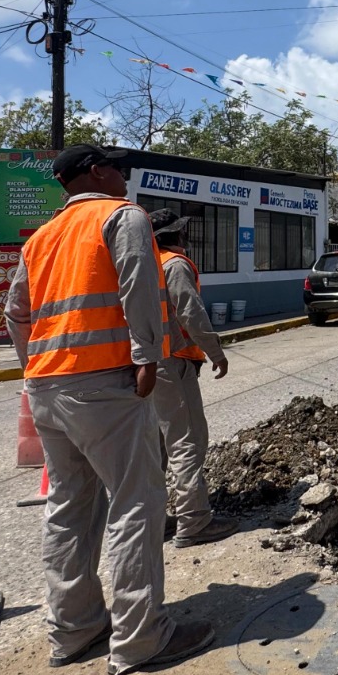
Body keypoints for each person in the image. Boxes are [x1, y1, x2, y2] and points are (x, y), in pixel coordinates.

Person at [4, 144, 213, 675]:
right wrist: (146, 356)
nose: (124, 177)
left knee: (68, 508)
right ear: (97, 171)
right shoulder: (122, 216)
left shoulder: (42, 237)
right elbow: (138, 285)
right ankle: (141, 637)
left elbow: (16, 312)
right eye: (118, 168)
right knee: (135, 502)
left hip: (47, 387)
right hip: (104, 385)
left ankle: (74, 629)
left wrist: (35, 366)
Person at [145, 208, 236, 549]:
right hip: (174, 361)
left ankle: (155, 520)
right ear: (175, 235)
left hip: (144, 364)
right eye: (182, 231)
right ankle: (195, 521)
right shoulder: (175, 265)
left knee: (155, 446)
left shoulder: (141, 266)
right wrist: (215, 351)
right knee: (187, 440)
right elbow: (190, 311)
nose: (185, 236)